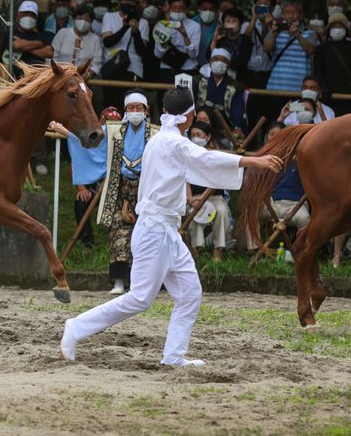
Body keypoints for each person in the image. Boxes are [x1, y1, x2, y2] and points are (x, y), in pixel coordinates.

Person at [61, 88, 281, 367]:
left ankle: (174, 356)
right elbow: (205, 159)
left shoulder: (163, 139)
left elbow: (196, 163)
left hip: (165, 230)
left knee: (190, 293)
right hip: (155, 230)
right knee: (140, 298)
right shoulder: (170, 142)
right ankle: (77, 327)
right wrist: (253, 160)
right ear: (189, 115)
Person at [97, 91, 156, 294]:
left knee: (147, 235)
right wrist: (65, 131)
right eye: (131, 108)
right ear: (125, 110)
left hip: (146, 190)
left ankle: (143, 283)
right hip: (120, 190)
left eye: (139, 108)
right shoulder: (115, 131)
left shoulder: (155, 133)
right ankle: (119, 281)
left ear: (146, 111)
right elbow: (92, 139)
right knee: (119, 234)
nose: (135, 112)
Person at [49, 109, 111, 250]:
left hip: (117, 185)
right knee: (81, 202)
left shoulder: (121, 136)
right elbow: (77, 145)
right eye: (106, 121)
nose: (108, 125)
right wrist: (81, 188)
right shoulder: (95, 135)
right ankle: (87, 241)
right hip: (94, 184)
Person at [184, 121, 233, 261]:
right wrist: (190, 198)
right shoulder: (187, 155)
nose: (195, 138)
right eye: (192, 135)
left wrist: (203, 199)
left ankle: (218, 250)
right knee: (192, 212)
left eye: (199, 135)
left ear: (207, 137)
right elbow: (185, 178)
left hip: (214, 197)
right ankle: (196, 250)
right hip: (194, 197)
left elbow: (216, 180)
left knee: (222, 210)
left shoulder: (214, 155)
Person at [265, 0, 318, 92]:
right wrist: (274, 36)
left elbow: (311, 50)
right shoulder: (275, 31)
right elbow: (266, 49)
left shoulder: (309, 33)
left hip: (300, 89)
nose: (291, 16)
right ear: (282, 14)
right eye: (287, 12)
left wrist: (298, 35)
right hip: (275, 87)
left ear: (301, 14)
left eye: (294, 12)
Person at [196, 47, 248, 135]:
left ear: (228, 64)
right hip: (200, 126)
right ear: (210, 61)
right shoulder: (198, 81)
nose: (219, 62)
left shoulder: (235, 86)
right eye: (215, 59)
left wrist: (237, 126)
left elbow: (237, 110)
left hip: (225, 129)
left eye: (223, 60)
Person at [313, 13, 351, 116]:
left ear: (346, 29)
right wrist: (324, 88)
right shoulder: (321, 49)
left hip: (348, 99)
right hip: (328, 98)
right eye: (334, 26)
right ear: (329, 29)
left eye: (340, 26)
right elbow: (317, 72)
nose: (337, 29)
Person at [51, 7, 103, 75]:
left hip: (83, 79)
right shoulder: (62, 33)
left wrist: (87, 75)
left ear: (91, 22)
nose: (83, 22)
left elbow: (96, 64)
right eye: (80, 18)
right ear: (74, 19)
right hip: (60, 77)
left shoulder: (95, 39)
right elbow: (52, 56)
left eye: (86, 19)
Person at [14, 0, 53, 66]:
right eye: (25, 14)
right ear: (18, 16)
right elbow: (17, 45)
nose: (28, 17)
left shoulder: (43, 35)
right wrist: (39, 44)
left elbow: (49, 52)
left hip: (38, 74)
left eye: (32, 15)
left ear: (36, 18)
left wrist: (23, 47)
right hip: (15, 74)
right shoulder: (11, 33)